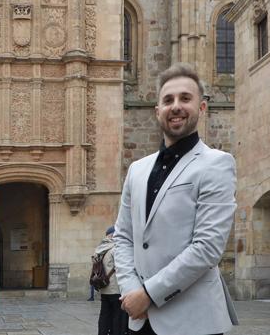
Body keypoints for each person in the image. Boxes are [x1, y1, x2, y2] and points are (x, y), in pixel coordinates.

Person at [114, 63, 238, 335]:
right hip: (140, 319)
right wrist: (131, 290)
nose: (176, 106)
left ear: (202, 108)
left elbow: (207, 247)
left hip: (194, 321)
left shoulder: (217, 164)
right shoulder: (137, 169)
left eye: (185, 98)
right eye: (168, 100)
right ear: (158, 111)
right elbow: (123, 236)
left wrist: (148, 293)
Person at [95, 226, 128, 335]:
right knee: (117, 315)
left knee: (104, 314)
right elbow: (122, 268)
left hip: (104, 288)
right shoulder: (115, 249)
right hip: (115, 288)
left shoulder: (100, 249)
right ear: (113, 235)